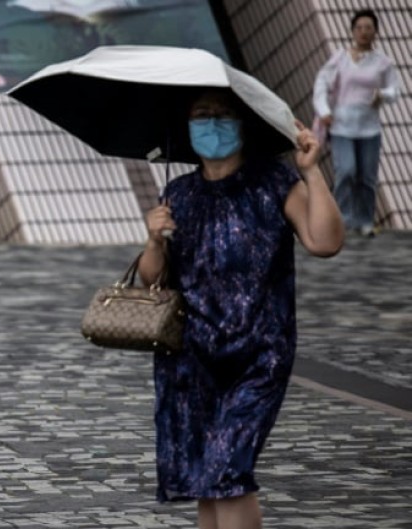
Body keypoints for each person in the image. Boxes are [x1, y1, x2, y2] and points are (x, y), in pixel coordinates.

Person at [138, 88, 344, 529]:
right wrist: (153, 238)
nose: (212, 124)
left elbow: (325, 242)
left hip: (259, 354)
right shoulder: (179, 192)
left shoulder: (273, 181)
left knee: (227, 467)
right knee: (205, 476)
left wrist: (312, 173)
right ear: (187, 126)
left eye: (223, 114)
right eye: (202, 115)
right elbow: (153, 279)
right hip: (191, 359)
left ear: (243, 124)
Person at [313, 8, 401, 238]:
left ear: (376, 32)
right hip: (342, 126)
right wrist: (323, 110)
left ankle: (364, 220)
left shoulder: (383, 62)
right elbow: (321, 83)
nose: (363, 32)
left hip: (369, 128)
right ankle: (342, 218)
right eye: (359, 28)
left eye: (368, 28)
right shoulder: (340, 58)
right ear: (352, 31)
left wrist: (382, 94)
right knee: (346, 171)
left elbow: (394, 89)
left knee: (368, 177)